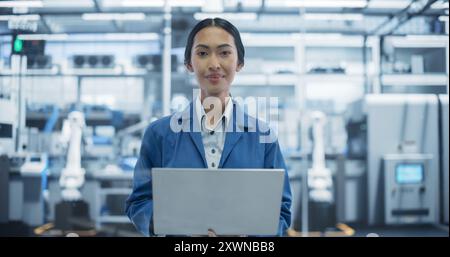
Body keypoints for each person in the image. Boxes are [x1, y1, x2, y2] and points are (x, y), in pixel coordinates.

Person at [125, 17, 292, 236]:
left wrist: (244, 237)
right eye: (203, 53)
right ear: (189, 63)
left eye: (224, 53)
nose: (214, 64)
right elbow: (138, 202)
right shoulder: (159, 134)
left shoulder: (263, 136)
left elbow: (281, 211)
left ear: (239, 62)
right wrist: (176, 225)